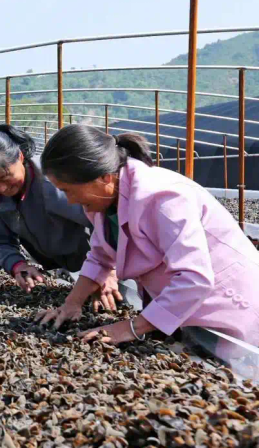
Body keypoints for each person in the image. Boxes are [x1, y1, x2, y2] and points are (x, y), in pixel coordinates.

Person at [35, 125, 259, 373]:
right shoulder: (103, 201)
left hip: (226, 305)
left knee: (238, 376)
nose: (70, 201)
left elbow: (194, 277)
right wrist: (71, 304)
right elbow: (100, 256)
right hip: (182, 311)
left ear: (104, 177)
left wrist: (131, 328)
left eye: (68, 190)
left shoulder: (164, 197)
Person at [0, 125, 138, 310]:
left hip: (116, 260)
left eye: (5, 177)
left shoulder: (54, 183)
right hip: (70, 266)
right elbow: (0, 241)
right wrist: (18, 266)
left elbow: (106, 222)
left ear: (20, 157)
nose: (2, 188)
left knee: (129, 299)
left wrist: (109, 269)